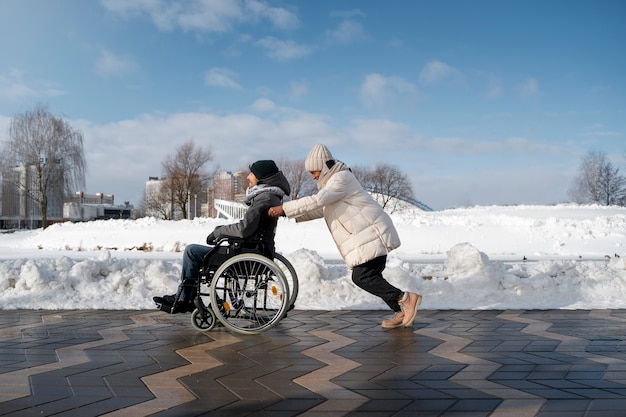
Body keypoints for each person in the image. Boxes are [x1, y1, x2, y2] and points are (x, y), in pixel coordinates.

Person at [268, 144, 421, 329]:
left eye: (315, 171)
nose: (313, 176)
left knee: (362, 277)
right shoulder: (334, 184)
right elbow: (321, 209)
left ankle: (405, 298)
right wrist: (287, 214)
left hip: (372, 233)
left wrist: (284, 208)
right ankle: (401, 309)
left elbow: (318, 201)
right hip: (368, 235)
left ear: (324, 166)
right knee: (372, 276)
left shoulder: (341, 178)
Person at [154, 159, 291, 313]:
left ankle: (184, 299)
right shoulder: (270, 197)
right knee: (198, 252)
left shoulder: (264, 199)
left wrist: (218, 232)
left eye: (251, 174)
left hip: (246, 255)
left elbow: (243, 229)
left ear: (261, 178)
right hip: (254, 250)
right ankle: (187, 295)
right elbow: (248, 227)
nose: (248, 177)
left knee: (192, 251)